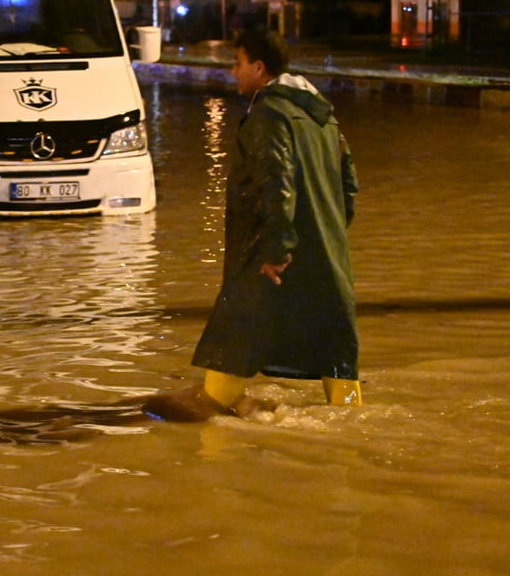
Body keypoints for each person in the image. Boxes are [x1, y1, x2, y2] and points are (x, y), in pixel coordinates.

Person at [147, 30, 361, 419]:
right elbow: (349, 186)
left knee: (236, 325)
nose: (233, 72)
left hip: (269, 248)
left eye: (238, 63)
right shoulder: (324, 117)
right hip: (325, 252)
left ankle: (212, 411)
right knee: (334, 343)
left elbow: (275, 180)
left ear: (259, 68)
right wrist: (326, 233)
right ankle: (350, 415)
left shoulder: (269, 114)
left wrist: (276, 248)